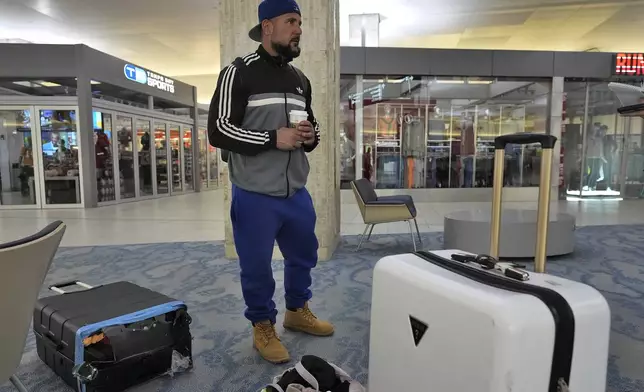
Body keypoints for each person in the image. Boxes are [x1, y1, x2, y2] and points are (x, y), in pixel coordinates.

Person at [207, 0, 333, 364]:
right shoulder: (239, 72)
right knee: (257, 265)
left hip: (296, 192)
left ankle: (297, 311)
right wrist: (270, 138)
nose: (298, 29)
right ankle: (263, 325)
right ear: (267, 26)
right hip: (255, 195)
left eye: (300, 22)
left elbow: (311, 132)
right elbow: (218, 129)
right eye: (291, 21)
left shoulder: (300, 79)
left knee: (303, 256)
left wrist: (309, 135)